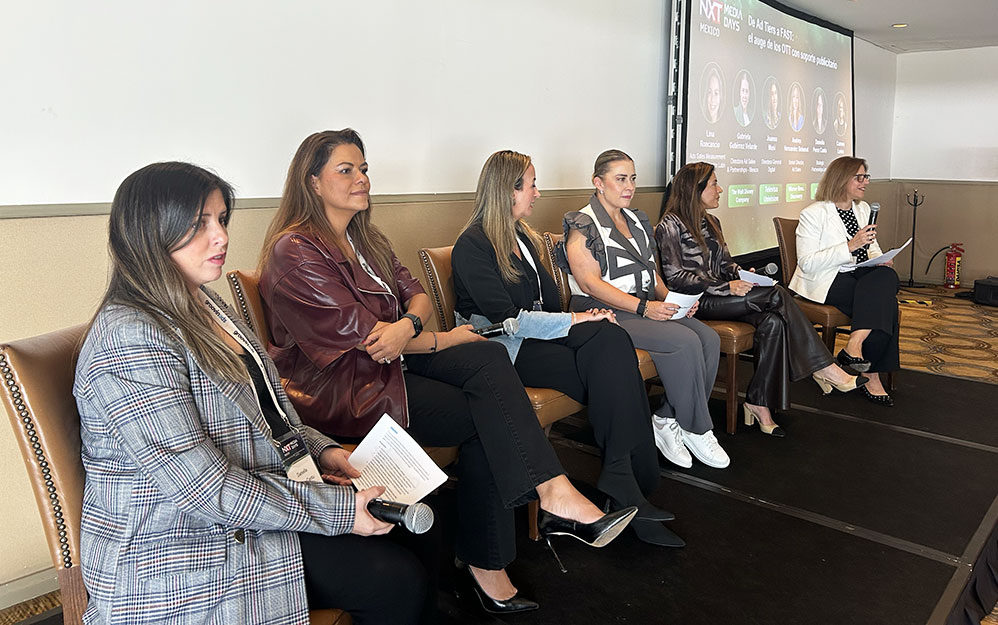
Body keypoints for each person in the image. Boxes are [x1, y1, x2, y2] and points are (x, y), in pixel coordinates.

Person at [257, 130, 635, 615]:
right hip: (347, 387)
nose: (361, 179)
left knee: (489, 358)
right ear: (312, 182)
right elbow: (370, 340)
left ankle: (549, 498)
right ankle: (498, 554)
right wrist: (436, 337)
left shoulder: (365, 238)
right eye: (346, 170)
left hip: (394, 363)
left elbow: (414, 294)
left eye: (363, 168)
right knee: (487, 408)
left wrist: (411, 325)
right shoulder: (296, 251)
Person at [74, 162, 433, 625]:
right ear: (149, 232)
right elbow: (202, 489)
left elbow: (268, 410)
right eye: (197, 224)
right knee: (393, 577)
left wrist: (322, 452)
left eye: (221, 219)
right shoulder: (129, 336)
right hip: (182, 547)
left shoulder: (202, 303)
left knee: (417, 530)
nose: (220, 236)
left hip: (245, 505)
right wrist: (343, 512)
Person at [451, 150, 683, 548]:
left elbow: (548, 305)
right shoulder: (472, 245)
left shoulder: (521, 235)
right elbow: (509, 320)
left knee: (611, 337)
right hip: (504, 349)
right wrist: (575, 321)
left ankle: (620, 475)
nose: (538, 193)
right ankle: (626, 481)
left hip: (539, 336)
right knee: (609, 364)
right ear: (508, 191)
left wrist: (585, 319)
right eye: (532, 185)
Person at [655, 162, 867, 436]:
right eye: (714, 184)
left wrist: (742, 274)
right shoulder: (669, 225)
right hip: (697, 303)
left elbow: (726, 264)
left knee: (773, 323)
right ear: (694, 190)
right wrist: (726, 287)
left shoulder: (712, 221)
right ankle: (824, 367)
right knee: (778, 294)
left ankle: (758, 402)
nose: (720, 190)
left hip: (723, 295)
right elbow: (676, 277)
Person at [558, 149, 730, 470]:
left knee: (708, 338)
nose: (629, 186)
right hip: (601, 312)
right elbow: (591, 284)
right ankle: (696, 426)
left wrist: (673, 300)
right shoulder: (582, 223)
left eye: (633, 178)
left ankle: (666, 419)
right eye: (620, 179)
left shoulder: (636, 219)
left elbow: (651, 272)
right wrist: (644, 307)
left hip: (642, 304)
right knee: (684, 341)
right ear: (599, 183)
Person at [790, 156, 900, 406]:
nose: (865, 183)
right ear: (841, 179)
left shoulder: (861, 210)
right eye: (859, 177)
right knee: (885, 304)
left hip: (860, 275)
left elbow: (871, 248)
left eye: (866, 177)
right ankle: (871, 375)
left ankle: (855, 344)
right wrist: (849, 246)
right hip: (827, 279)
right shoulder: (813, 214)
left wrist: (881, 258)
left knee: (887, 276)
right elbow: (806, 263)